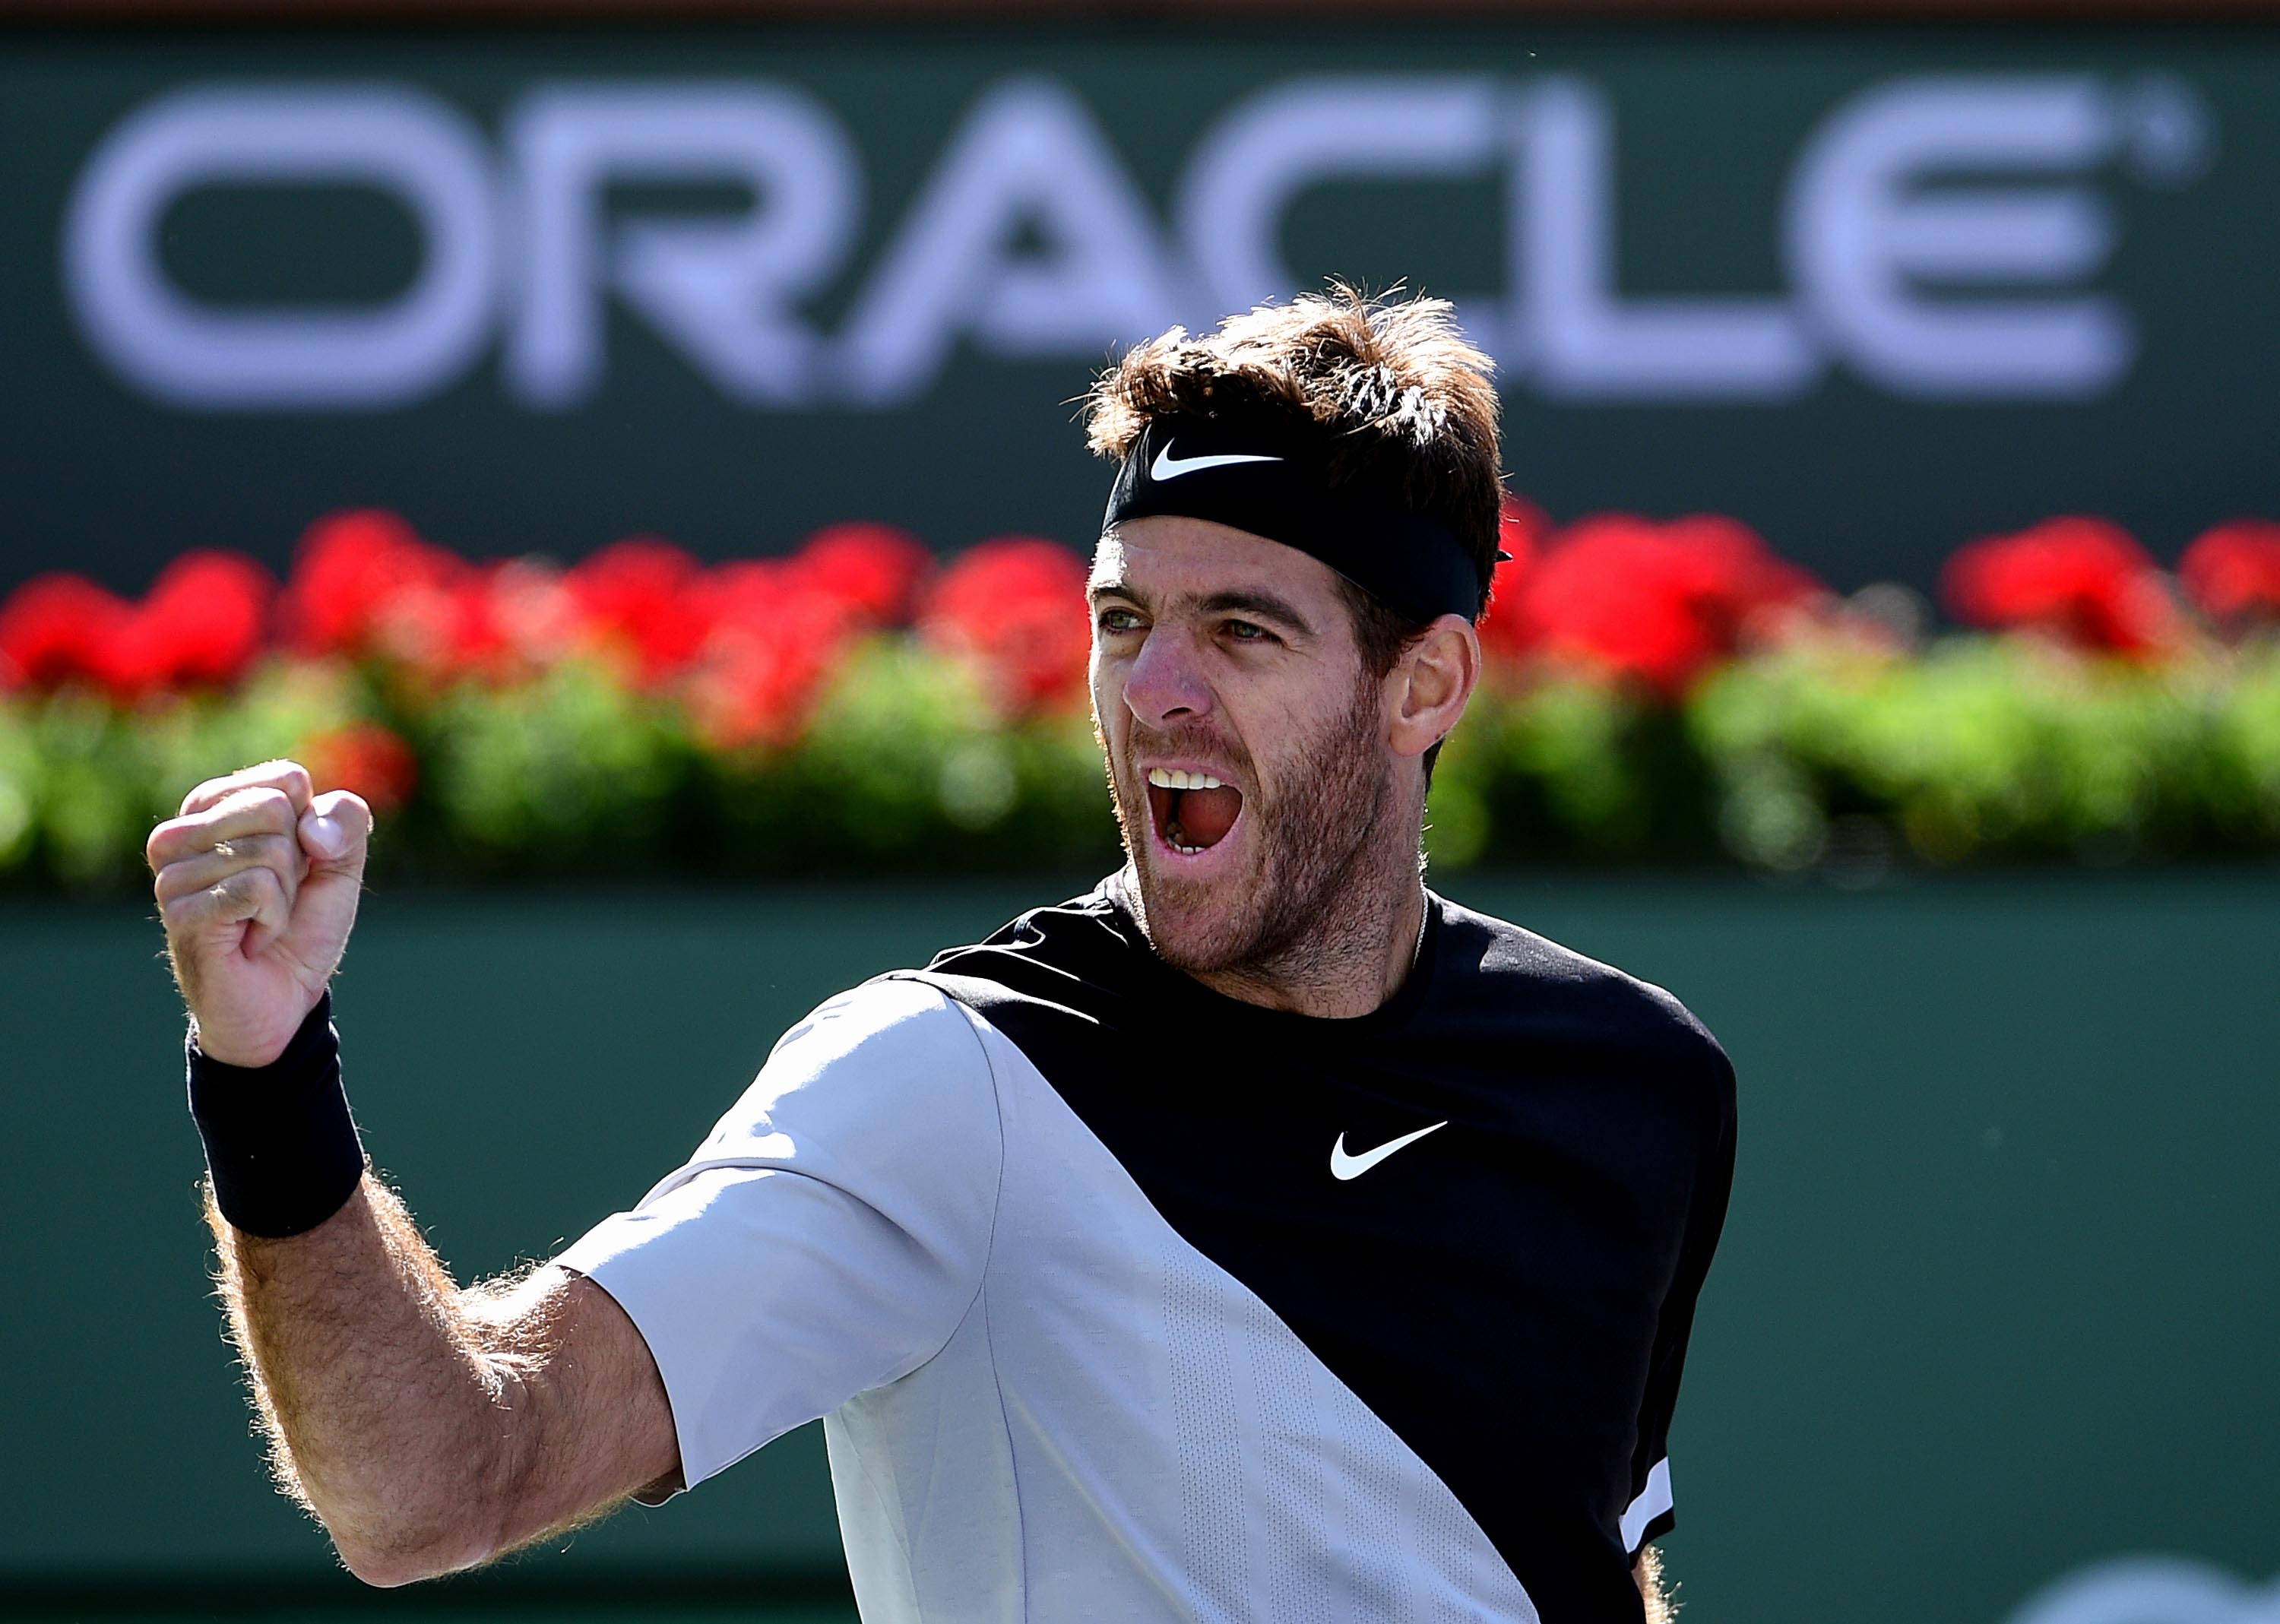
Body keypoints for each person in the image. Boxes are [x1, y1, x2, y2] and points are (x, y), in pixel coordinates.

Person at [149, 286, 1734, 1624]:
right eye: (1124, 623)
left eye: (1242, 630)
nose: (1154, 691)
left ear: (1427, 683)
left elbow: (1598, 1571)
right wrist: (266, 1071)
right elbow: (437, 1483)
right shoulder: (946, 1084)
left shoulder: (1636, 1087)